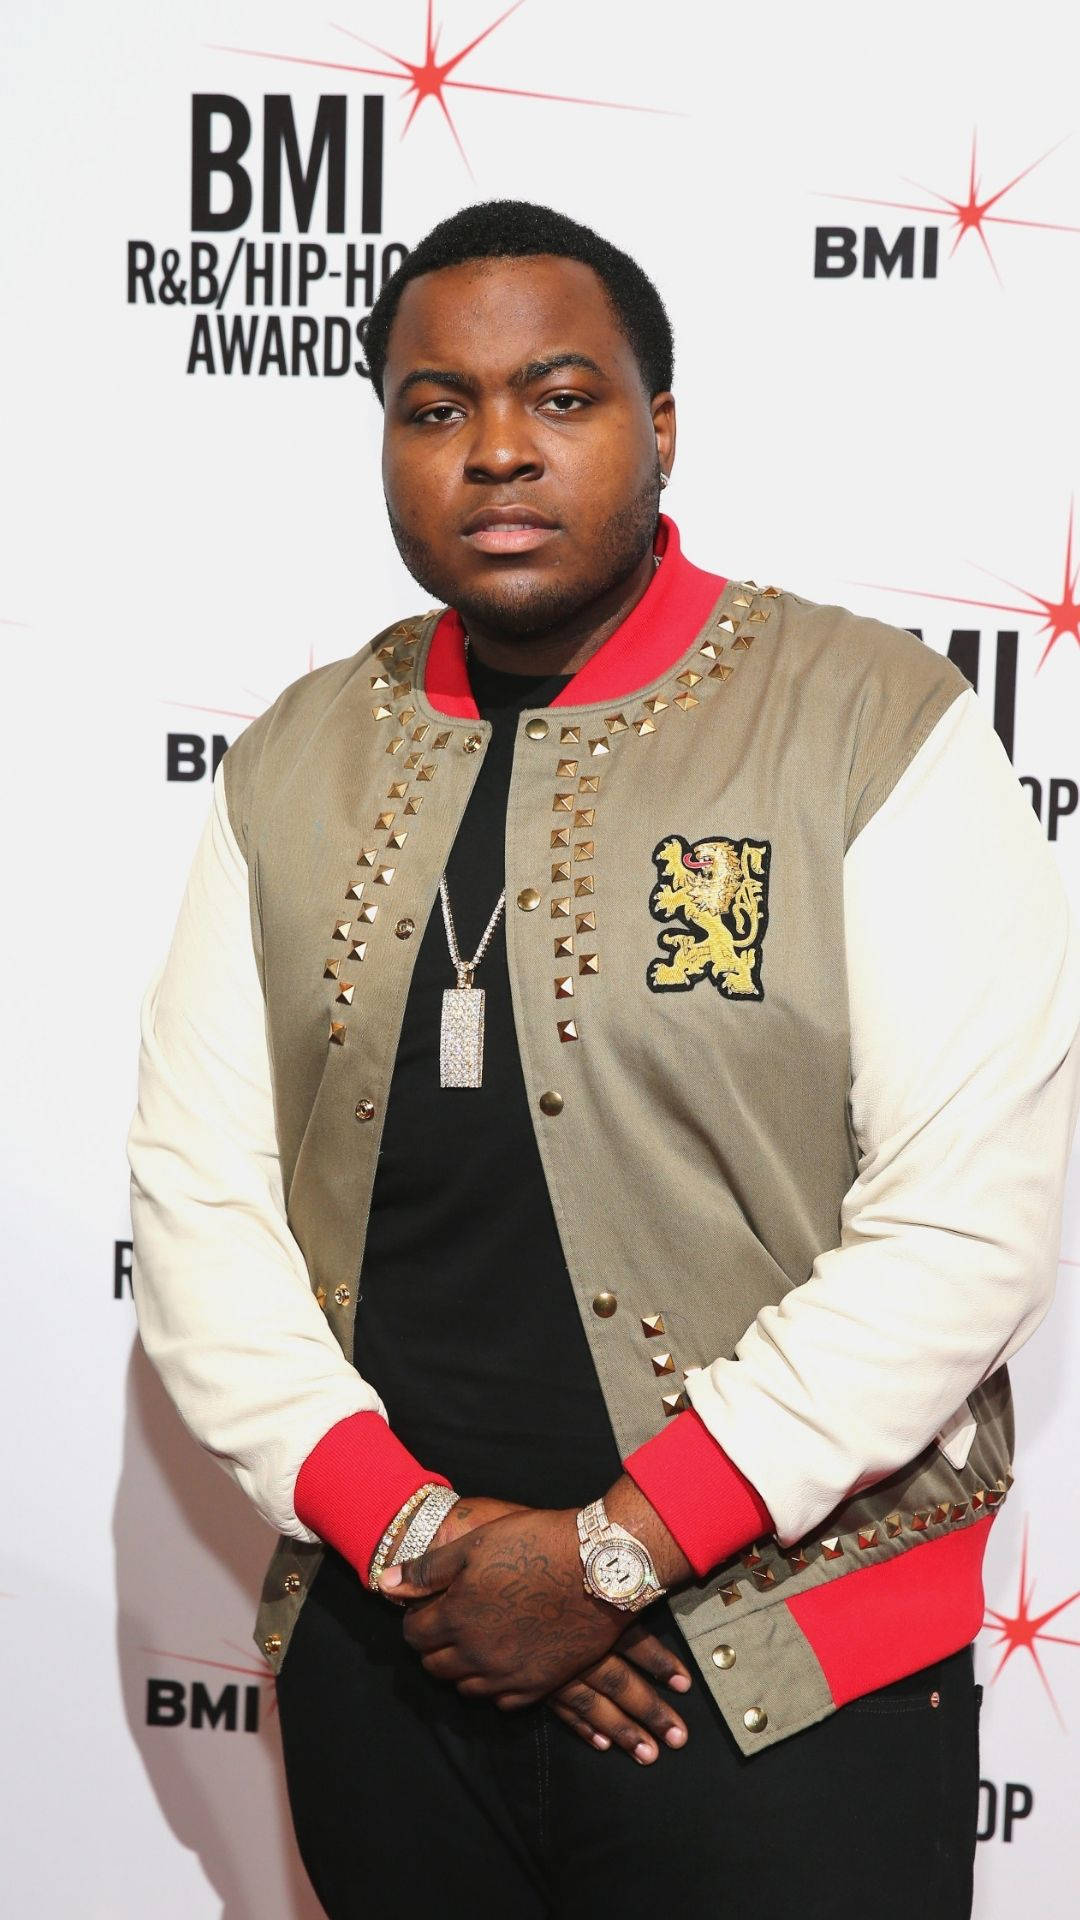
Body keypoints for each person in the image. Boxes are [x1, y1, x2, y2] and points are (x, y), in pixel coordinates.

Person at [128, 199, 1080, 1920]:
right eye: (437, 407)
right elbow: (199, 1204)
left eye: (561, 398)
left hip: (789, 1686)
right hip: (396, 1661)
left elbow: (964, 1226)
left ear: (662, 427)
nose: (498, 449)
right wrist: (430, 1551)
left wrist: (613, 1556)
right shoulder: (291, 761)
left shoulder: (870, 724)